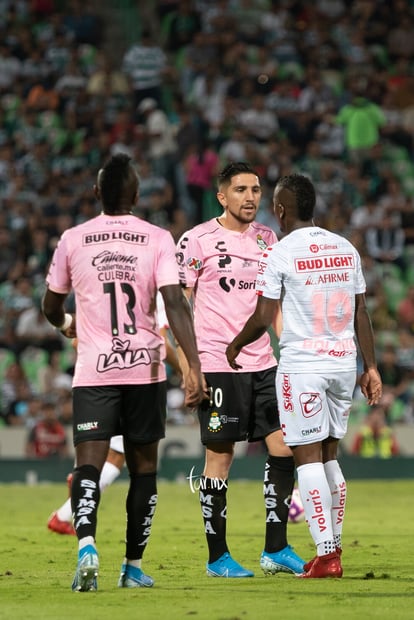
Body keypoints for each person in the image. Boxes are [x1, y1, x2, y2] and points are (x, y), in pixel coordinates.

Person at [42, 153, 206, 592]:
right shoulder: (157, 238)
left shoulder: (74, 239)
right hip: (146, 371)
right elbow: (175, 304)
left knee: (89, 466)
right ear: (136, 195)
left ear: (97, 193)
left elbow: (50, 306)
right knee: (143, 470)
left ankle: (87, 545)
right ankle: (132, 566)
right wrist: (194, 368)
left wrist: (67, 326)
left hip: (95, 371)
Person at [226, 173, 382, 578]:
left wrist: (235, 345)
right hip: (343, 364)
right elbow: (361, 311)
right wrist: (371, 366)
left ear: (279, 210)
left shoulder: (281, 252)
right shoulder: (345, 247)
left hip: (303, 367)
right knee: (330, 455)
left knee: (306, 457)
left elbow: (263, 317)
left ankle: (327, 555)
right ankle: (332, 549)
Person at [176, 161, 305, 578]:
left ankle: (276, 548)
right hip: (217, 362)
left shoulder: (270, 239)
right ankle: (217, 558)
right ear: (221, 196)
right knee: (221, 458)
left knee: (283, 446)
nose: (250, 197)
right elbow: (179, 305)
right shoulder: (196, 241)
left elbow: (275, 306)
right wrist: (189, 365)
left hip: (264, 363)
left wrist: (292, 352)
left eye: (255, 189)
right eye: (241, 190)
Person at [48, 295, 184, 536]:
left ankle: (64, 514)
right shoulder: (154, 291)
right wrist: (187, 371)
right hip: (134, 382)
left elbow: (76, 342)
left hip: (96, 382)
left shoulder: (105, 290)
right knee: (122, 458)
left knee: (101, 453)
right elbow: (160, 343)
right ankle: (73, 503)